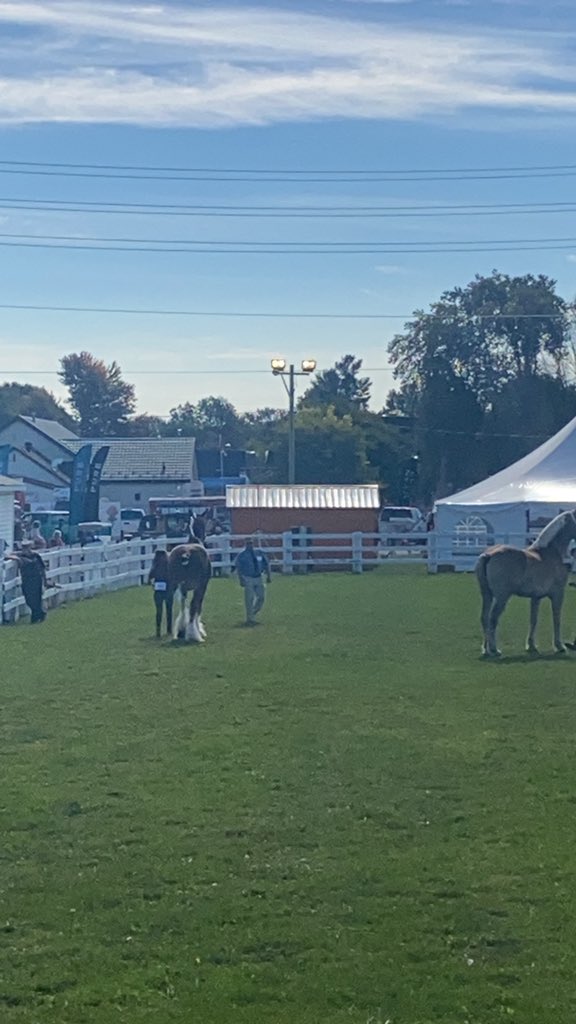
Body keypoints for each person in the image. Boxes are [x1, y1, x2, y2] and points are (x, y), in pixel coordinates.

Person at [233, 537, 271, 626]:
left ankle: (253, 612)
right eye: (248, 543)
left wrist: (268, 576)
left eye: (251, 543)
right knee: (249, 598)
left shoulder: (259, 553)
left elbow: (266, 564)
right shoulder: (241, 555)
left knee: (261, 597)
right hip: (248, 577)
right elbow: (239, 568)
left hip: (259, 576)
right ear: (245, 544)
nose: (250, 545)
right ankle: (250, 618)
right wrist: (241, 579)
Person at [8, 543, 49, 623]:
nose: (25, 549)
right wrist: (16, 558)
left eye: (27, 547)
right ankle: (40, 614)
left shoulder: (36, 556)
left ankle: (36, 617)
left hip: (36, 579)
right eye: (24, 547)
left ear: (30, 547)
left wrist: (45, 580)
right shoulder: (21, 556)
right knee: (29, 599)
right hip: (26, 580)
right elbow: (8, 556)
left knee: (37, 599)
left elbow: (42, 568)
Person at [148, 549, 173, 638]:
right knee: (169, 610)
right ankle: (169, 630)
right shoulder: (169, 567)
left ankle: (158, 631)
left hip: (158, 591)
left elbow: (150, 577)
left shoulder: (155, 567)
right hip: (168, 590)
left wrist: (153, 584)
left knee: (159, 611)